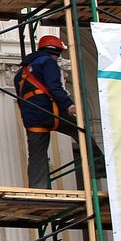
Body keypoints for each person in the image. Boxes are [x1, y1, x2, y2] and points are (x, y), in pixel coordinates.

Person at [13, 34, 103, 189]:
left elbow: (21, 100)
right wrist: (68, 104)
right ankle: (99, 168)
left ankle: (38, 189)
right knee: (81, 132)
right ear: (56, 52)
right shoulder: (47, 62)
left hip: (32, 118)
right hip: (50, 111)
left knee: (36, 156)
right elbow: (54, 86)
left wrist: (28, 119)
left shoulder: (20, 74)